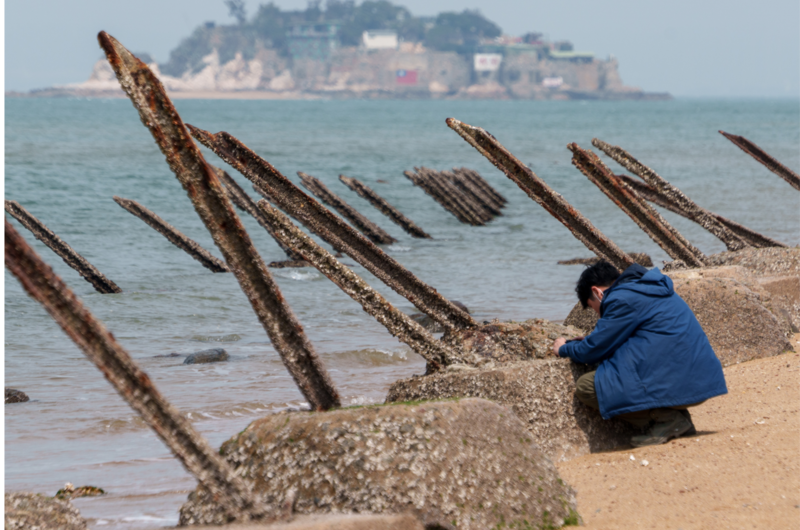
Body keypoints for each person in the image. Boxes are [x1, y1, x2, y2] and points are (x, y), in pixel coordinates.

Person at [553, 261, 727, 447]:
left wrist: (563, 348)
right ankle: (678, 418)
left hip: (683, 382)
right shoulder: (648, 287)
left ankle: (669, 420)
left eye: (595, 308)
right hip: (701, 379)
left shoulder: (620, 298)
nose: (599, 315)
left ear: (597, 292)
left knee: (587, 386)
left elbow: (591, 350)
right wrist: (592, 341)